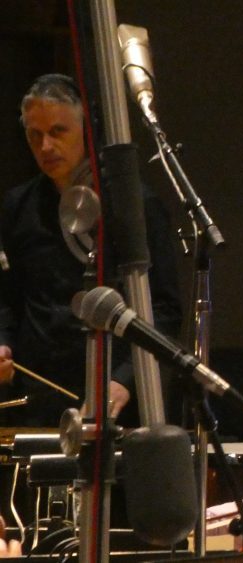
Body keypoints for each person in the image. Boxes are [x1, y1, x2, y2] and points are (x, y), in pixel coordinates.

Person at [0, 73, 181, 427]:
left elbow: (163, 310)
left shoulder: (135, 208)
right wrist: (3, 343)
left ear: (87, 130)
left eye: (57, 132)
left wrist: (124, 380)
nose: (45, 147)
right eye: (34, 136)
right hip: (39, 400)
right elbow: (6, 299)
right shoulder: (16, 207)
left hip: (119, 399)